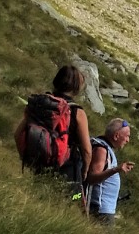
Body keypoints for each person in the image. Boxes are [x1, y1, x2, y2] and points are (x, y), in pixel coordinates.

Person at [15, 65, 93, 207]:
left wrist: (27, 156)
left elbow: (17, 134)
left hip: (40, 166)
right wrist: (85, 172)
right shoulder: (77, 112)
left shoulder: (40, 104)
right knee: (72, 202)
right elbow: (87, 150)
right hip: (68, 170)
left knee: (40, 202)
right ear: (76, 87)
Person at [84, 118, 135, 224]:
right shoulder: (101, 150)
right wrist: (116, 169)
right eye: (127, 136)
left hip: (105, 209)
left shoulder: (106, 148)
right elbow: (92, 178)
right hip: (101, 210)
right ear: (116, 136)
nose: (128, 140)